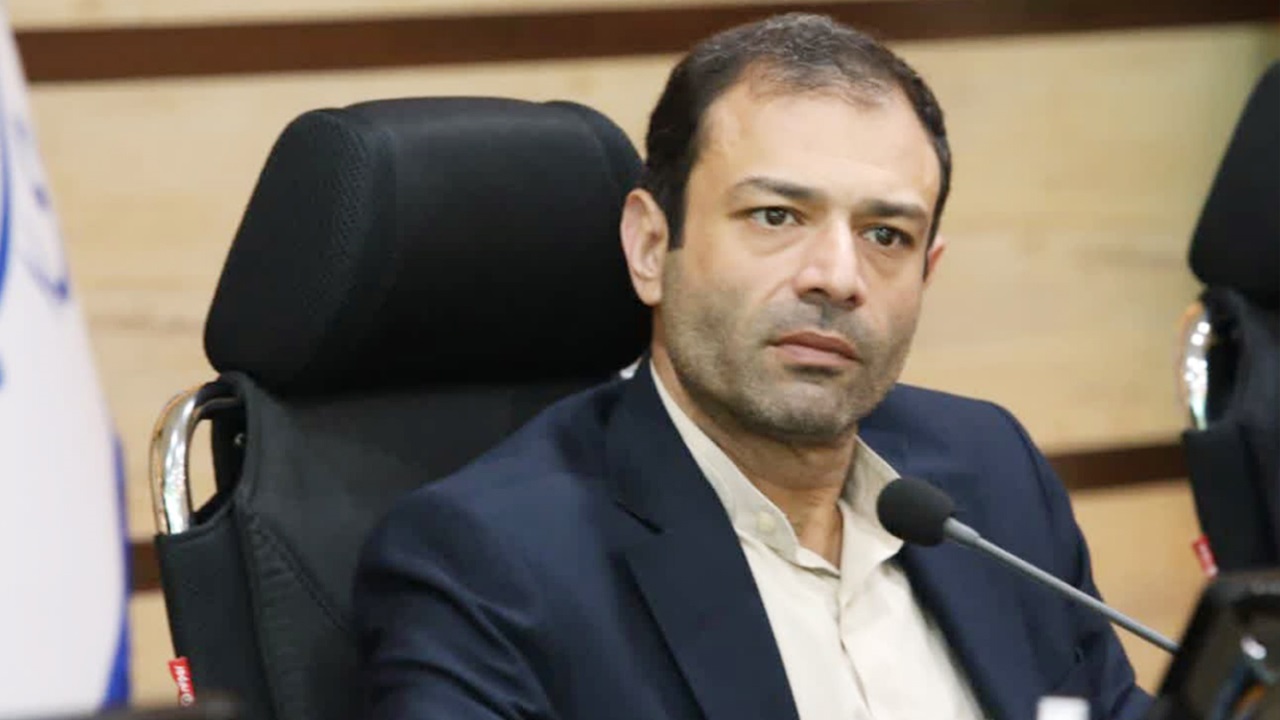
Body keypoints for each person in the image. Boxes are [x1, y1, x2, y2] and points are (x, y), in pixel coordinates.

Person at [353, 13, 1151, 720]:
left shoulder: (991, 474)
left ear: (926, 274)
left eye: (886, 236)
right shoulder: (491, 562)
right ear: (651, 246)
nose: (837, 277)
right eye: (776, 216)